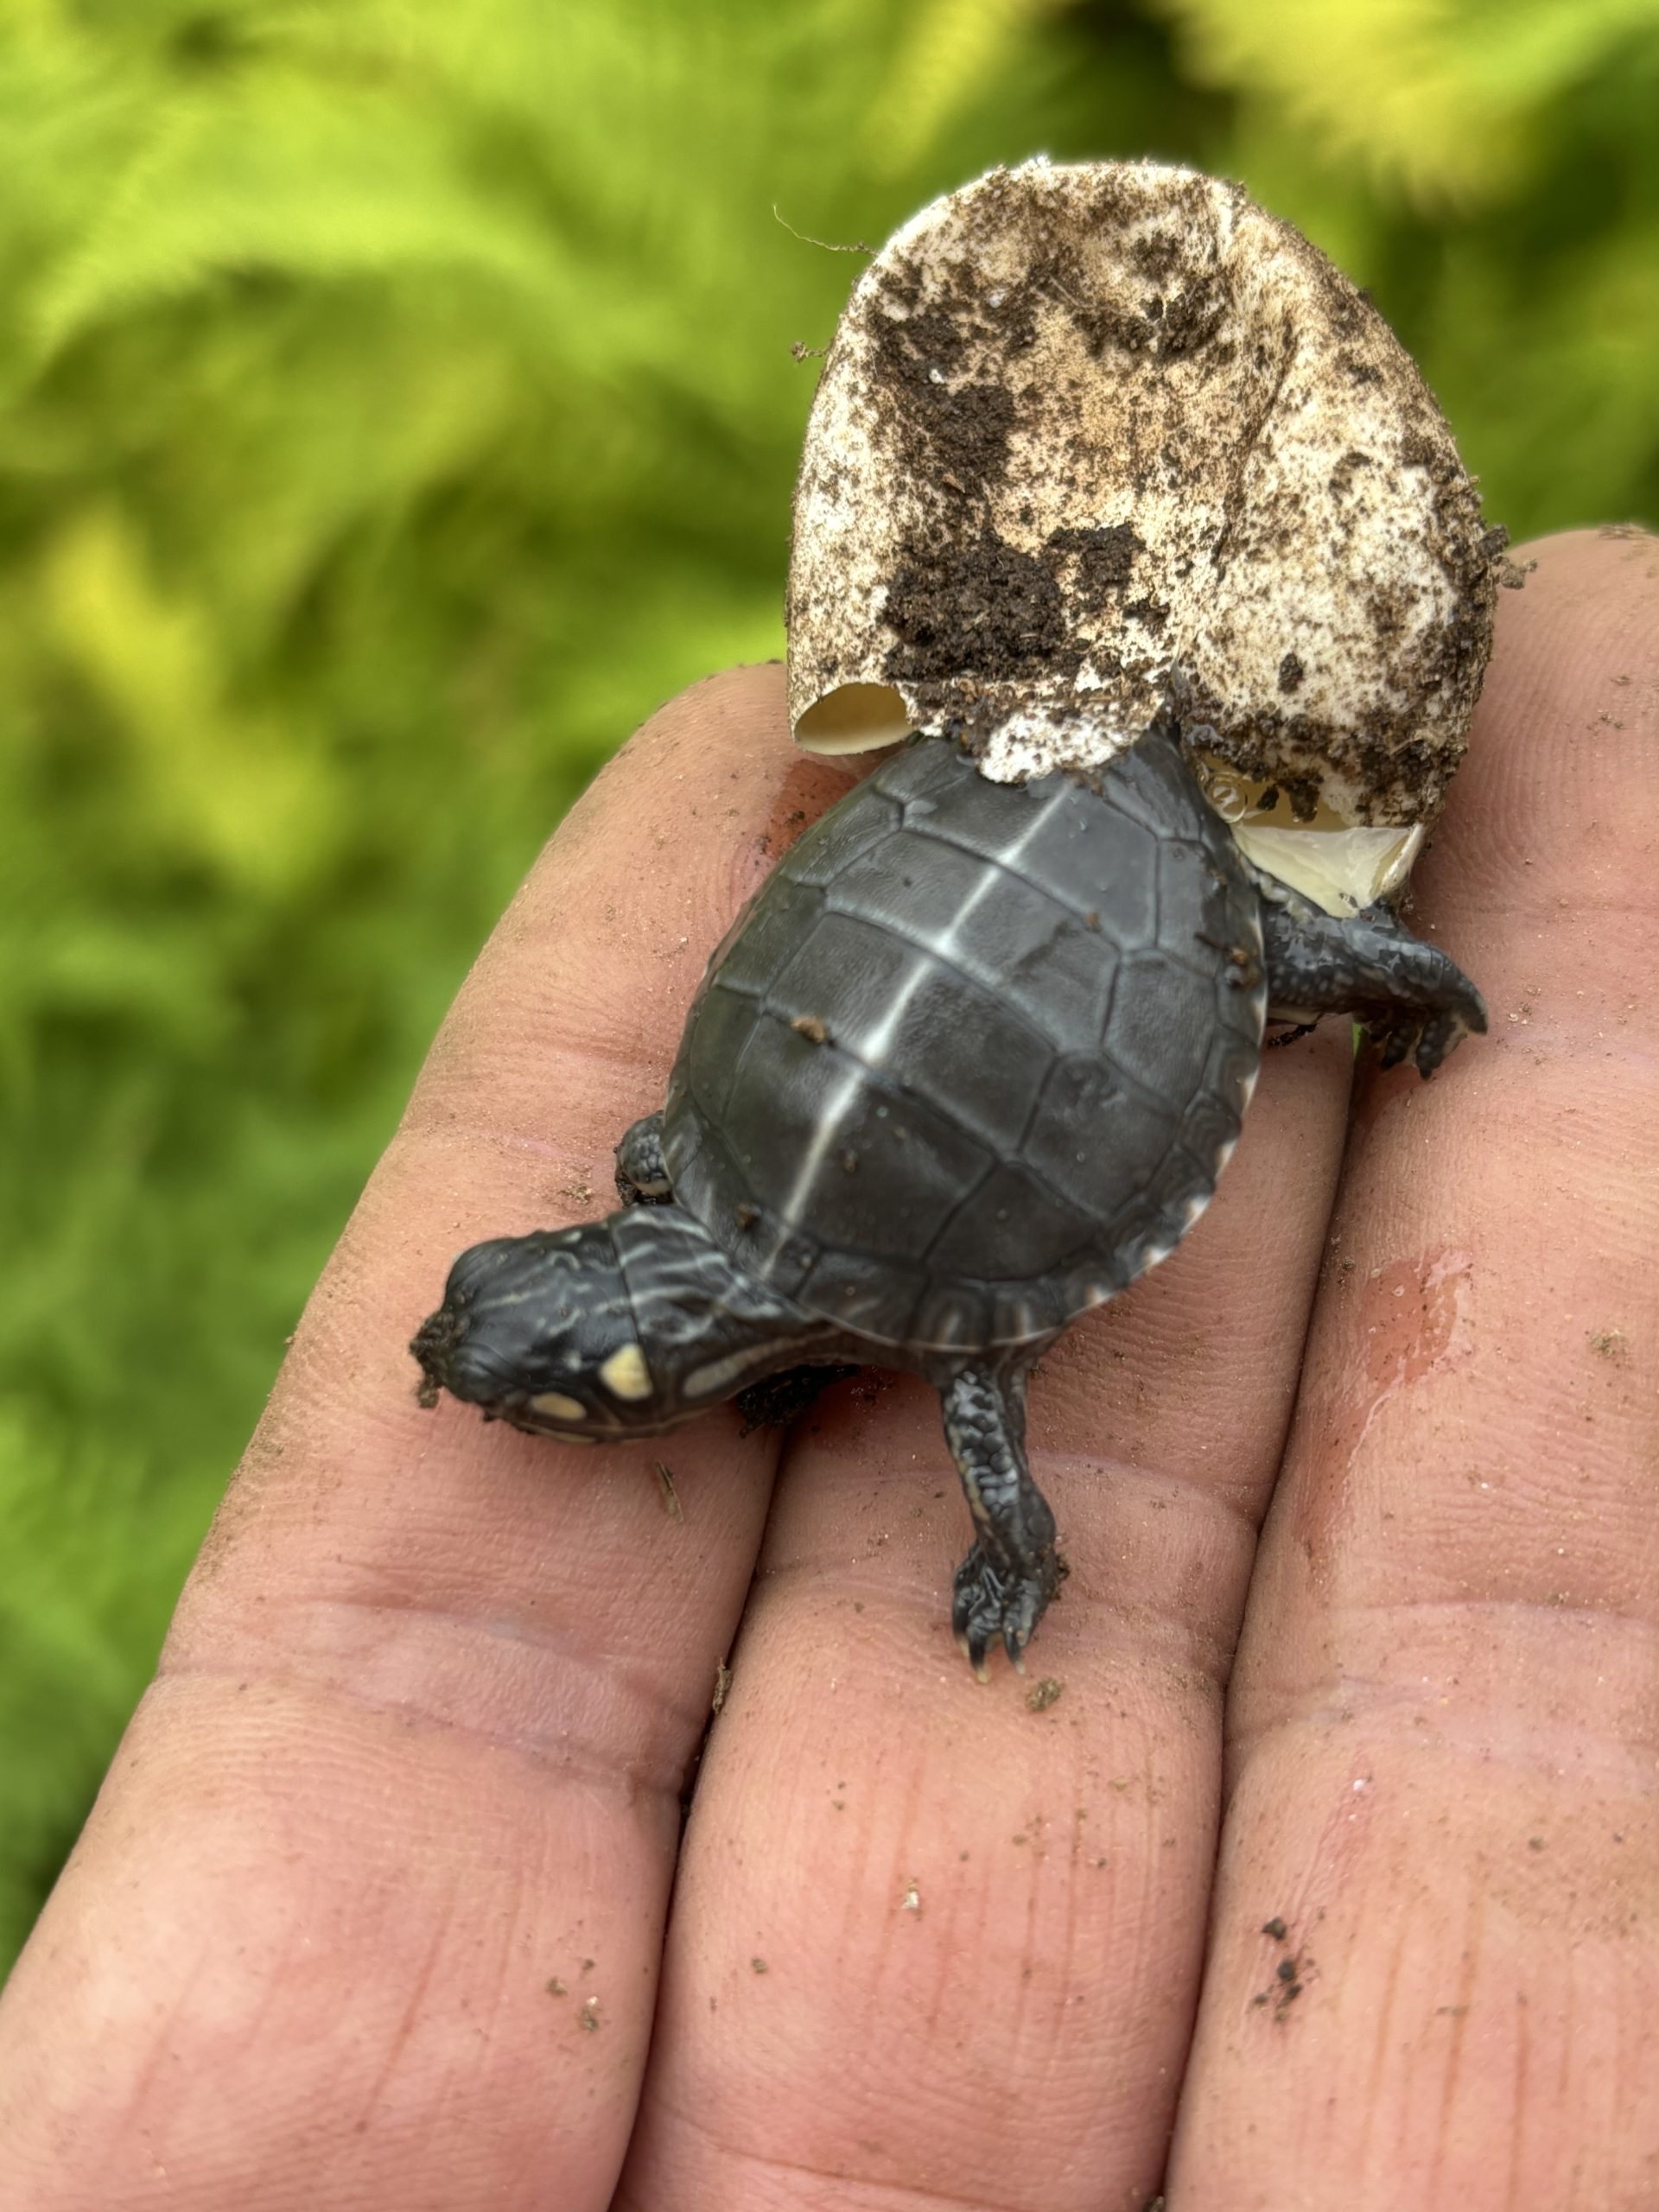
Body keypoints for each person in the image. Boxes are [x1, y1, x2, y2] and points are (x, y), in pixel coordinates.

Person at [0, 528, 1652, 2209]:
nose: (484, 1367)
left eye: (525, 1366)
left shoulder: (938, 1314)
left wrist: (1017, 1549)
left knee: (1258, 952)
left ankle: (1406, 972)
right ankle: (1374, 948)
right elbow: (687, 1167)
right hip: (1002, 813)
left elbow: (995, 1442)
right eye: (519, 1354)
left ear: (643, 1384)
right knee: (1221, 951)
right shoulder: (684, 1136)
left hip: (1156, 899)